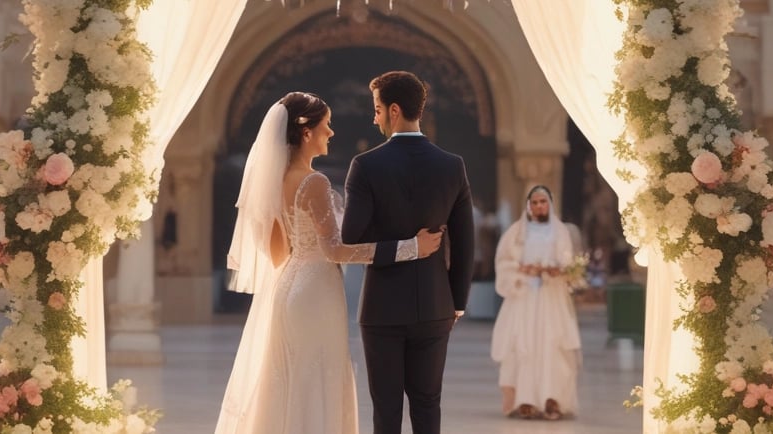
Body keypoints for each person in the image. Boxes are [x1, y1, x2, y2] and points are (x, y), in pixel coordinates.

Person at [215, 92, 444, 434]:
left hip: (288, 284)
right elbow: (336, 250)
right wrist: (411, 247)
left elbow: (278, 251)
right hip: (315, 292)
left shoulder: (275, 180)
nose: (332, 133)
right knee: (317, 375)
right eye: (327, 125)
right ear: (306, 132)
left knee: (291, 378)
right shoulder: (314, 181)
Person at [342, 71, 475, 434]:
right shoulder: (453, 166)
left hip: (382, 308)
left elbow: (349, 238)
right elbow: (465, 241)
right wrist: (457, 300)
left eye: (377, 109)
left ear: (394, 110)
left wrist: (392, 242)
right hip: (436, 306)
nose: (374, 117)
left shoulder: (366, 166)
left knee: (386, 411)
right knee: (428, 404)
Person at [490, 185, 581, 420]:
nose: (539, 206)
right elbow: (503, 261)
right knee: (524, 346)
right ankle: (525, 399)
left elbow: (569, 263)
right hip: (524, 298)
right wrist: (522, 269)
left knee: (551, 346)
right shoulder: (516, 232)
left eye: (543, 202)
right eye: (535, 202)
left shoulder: (559, 231)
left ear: (550, 204)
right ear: (528, 205)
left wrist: (555, 270)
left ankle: (553, 399)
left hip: (551, 299)